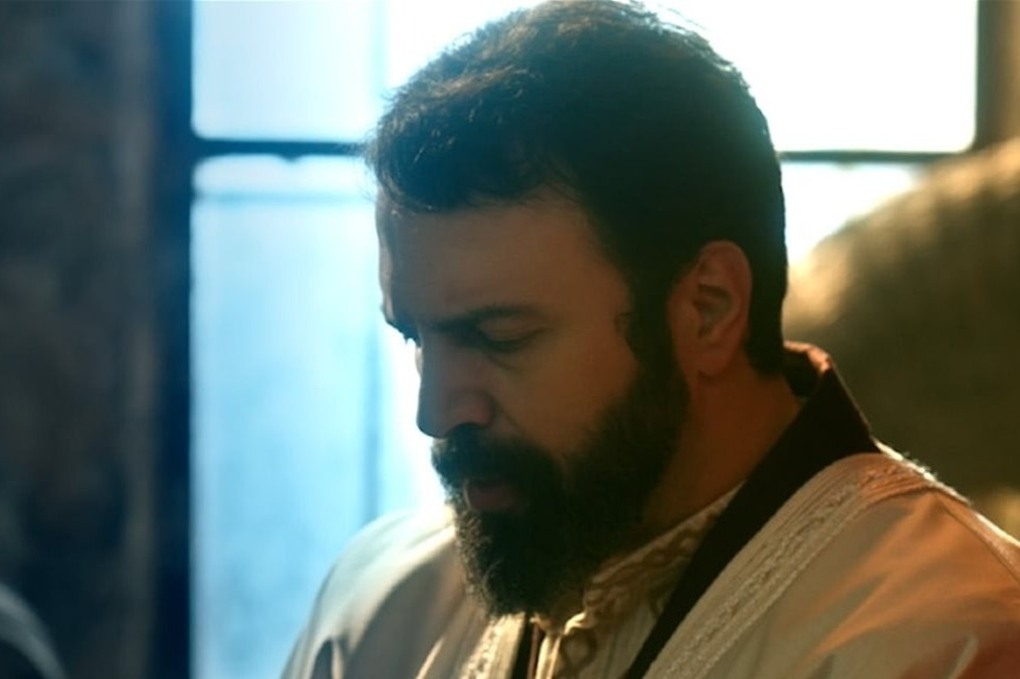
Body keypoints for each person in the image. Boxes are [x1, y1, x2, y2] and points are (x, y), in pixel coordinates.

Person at [282, 2, 1020, 677]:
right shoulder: (381, 604)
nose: (437, 412)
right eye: (415, 337)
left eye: (500, 337)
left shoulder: (950, 639)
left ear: (708, 309)